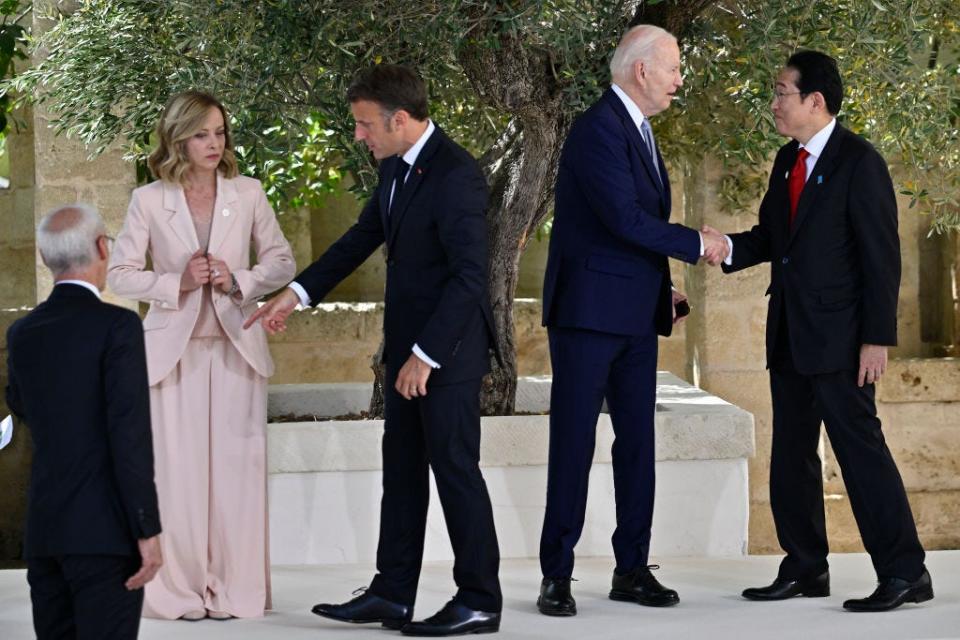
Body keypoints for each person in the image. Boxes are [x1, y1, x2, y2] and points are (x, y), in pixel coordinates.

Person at [246, 64, 502, 636]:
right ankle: (392, 594)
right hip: (408, 351)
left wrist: (426, 355)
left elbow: (468, 277)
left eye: (365, 125)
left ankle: (481, 599)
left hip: (446, 355)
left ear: (402, 119)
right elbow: (362, 237)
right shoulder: (393, 167)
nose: (358, 135)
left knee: (455, 471)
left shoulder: (457, 174)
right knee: (403, 471)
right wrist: (295, 294)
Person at [709, 50, 931, 612]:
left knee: (861, 454)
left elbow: (882, 257)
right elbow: (772, 238)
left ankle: (906, 573)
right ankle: (806, 567)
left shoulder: (860, 161)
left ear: (816, 100)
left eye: (782, 91)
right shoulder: (787, 160)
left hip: (844, 340)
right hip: (790, 333)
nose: (774, 102)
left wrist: (876, 339)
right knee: (792, 455)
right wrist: (726, 247)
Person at [537, 24, 729, 617]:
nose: (679, 80)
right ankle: (557, 576)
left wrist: (660, 283)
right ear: (641, 70)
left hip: (634, 316)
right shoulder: (597, 128)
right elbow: (622, 218)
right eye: (672, 68)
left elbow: (627, 227)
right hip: (588, 317)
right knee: (573, 442)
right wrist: (697, 243)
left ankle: (631, 569)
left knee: (637, 445)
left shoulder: (639, 130)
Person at [108, 91, 296, 620]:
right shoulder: (149, 200)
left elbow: (282, 261)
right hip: (172, 353)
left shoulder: (249, 192)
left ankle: (235, 590)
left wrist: (241, 278)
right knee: (175, 477)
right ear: (177, 138)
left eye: (219, 132)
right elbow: (120, 274)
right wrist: (177, 282)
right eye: (201, 134)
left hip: (239, 346)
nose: (214, 144)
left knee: (239, 474)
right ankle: (178, 592)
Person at [6, 204, 163, 639]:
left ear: (44, 257)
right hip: (105, 533)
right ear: (100, 247)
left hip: (45, 534)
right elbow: (128, 435)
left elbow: (20, 406)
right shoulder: (119, 327)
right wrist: (146, 528)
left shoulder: (21, 333)